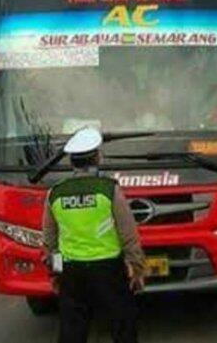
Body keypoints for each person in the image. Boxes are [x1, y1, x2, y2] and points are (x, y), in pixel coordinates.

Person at [42, 127, 146, 343]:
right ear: (97, 157)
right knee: (123, 325)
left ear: (72, 161)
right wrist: (136, 268)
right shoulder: (109, 190)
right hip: (109, 270)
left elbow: (50, 242)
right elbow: (128, 234)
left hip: (71, 272)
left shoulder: (55, 193)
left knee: (72, 329)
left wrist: (55, 273)